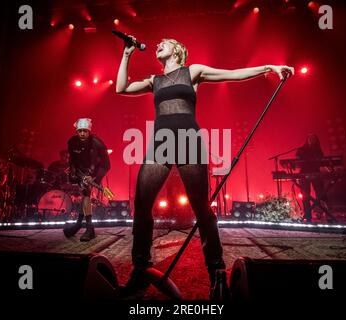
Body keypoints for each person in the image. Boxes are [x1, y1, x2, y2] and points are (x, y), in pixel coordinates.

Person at [116, 37, 294, 298]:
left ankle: (217, 273)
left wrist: (268, 67)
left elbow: (233, 75)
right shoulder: (155, 80)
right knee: (142, 205)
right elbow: (121, 88)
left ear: (177, 50)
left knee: (202, 208)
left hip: (188, 139)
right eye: (158, 44)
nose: (158, 45)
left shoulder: (193, 71)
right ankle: (140, 270)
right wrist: (127, 54)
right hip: (160, 143)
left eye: (164, 42)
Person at [63, 118, 111, 242]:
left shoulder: (98, 144)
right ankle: (80, 225)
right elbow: (72, 159)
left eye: (85, 131)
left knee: (85, 195)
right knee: (84, 196)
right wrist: (73, 169)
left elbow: (106, 165)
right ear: (76, 132)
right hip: (80, 172)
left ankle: (89, 228)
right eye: (80, 131)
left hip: (93, 173)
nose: (82, 134)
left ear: (89, 131)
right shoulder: (72, 142)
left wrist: (94, 177)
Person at [295, 133, 327, 222]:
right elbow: (297, 158)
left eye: (314, 139)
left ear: (316, 140)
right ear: (307, 139)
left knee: (320, 192)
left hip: (316, 173)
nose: (312, 140)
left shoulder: (318, 149)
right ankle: (308, 216)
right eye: (310, 138)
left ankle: (320, 212)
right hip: (304, 174)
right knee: (305, 196)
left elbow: (322, 160)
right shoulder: (302, 149)